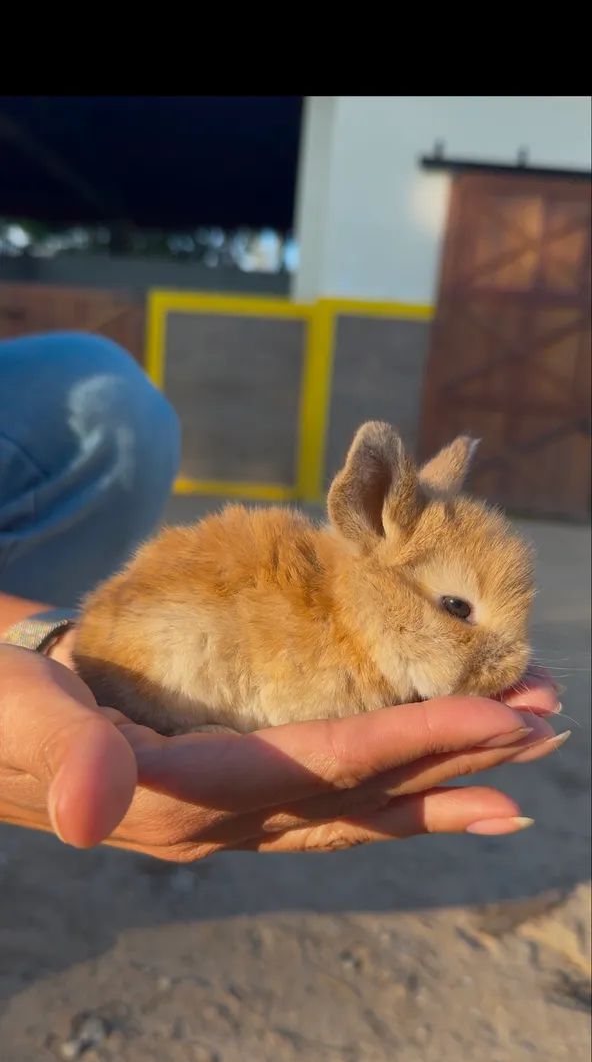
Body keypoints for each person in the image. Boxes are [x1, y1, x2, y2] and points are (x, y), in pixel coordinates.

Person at [0, 332, 564, 861]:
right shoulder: (330, 626)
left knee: (108, 392)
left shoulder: (367, 625)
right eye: (458, 610)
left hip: (79, 634)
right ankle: (168, 716)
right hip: (136, 664)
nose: (510, 658)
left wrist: (35, 636)